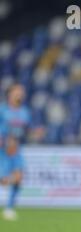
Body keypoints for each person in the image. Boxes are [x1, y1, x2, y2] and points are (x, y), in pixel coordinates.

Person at [0, 84, 31, 221]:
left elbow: (24, 131)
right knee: (4, 181)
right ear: (10, 94)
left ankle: (9, 208)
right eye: (17, 91)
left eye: (22, 91)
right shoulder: (2, 110)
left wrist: (34, 133)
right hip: (2, 149)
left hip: (16, 149)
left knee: (18, 177)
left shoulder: (25, 112)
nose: (20, 93)